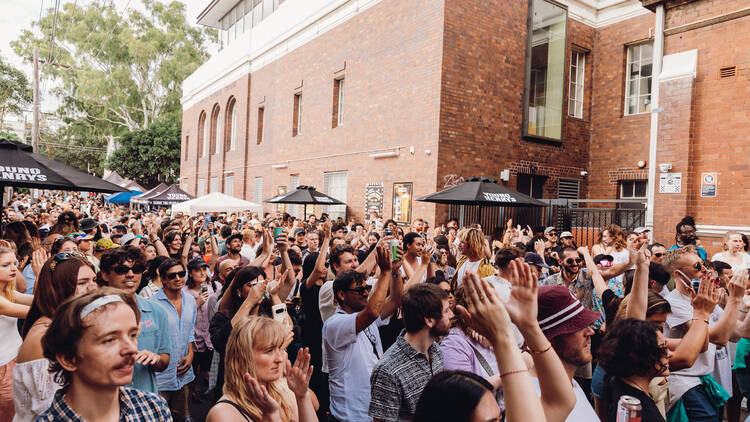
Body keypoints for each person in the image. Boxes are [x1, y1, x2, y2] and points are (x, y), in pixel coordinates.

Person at [35, 288, 171, 421]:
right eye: (110, 340)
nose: (131, 349)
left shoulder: (154, 408)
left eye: (132, 335)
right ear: (69, 359)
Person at [661, 246, 747, 420]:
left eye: (704, 265)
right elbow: (719, 338)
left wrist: (741, 302)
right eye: (698, 267)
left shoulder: (706, 299)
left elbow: (738, 333)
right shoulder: (673, 303)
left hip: (705, 380)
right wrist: (735, 299)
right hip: (684, 383)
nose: (706, 270)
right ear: (678, 274)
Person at [13, 252, 98, 421]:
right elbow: (52, 407)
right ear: (59, 287)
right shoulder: (43, 337)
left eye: (94, 280)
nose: (93, 288)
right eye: (82, 283)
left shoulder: (68, 323)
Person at [323, 243, 403, 422]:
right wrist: (384, 272)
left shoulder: (364, 317)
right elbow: (373, 311)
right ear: (342, 295)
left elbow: (396, 299)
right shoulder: (335, 324)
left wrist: (396, 271)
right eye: (359, 290)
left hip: (372, 411)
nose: (365, 294)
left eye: (366, 289)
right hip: (350, 416)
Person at [206, 316, 317, 422]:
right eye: (269, 351)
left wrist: (302, 396)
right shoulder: (223, 414)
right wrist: (271, 416)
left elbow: (316, 404)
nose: (279, 358)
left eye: (279, 348)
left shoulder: (283, 390)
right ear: (243, 356)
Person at [369, 284, 451, 421]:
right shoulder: (388, 370)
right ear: (429, 320)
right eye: (447, 311)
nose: (452, 315)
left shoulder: (435, 349)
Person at [99, 246, 171, 394]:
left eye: (137, 269)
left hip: (145, 401)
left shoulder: (157, 312)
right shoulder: (93, 314)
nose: (130, 274)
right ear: (105, 275)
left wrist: (155, 359)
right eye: (121, 270)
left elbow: (165, 359)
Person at [534, 284, 600, 420]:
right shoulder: (536, 405)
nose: (590, 332)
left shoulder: (568, 381)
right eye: (578, 326)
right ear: (549, 339)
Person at [598, 318, 671, 422]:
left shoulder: (614, 380)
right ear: (639, 355)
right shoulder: (642, 414)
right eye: (662, 348)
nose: (669, 354)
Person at [152, 258, 197, 422]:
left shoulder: (191, 300)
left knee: (182, 417)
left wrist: (191, 354)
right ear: (163, 279)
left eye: (181, 274)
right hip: (161, 376)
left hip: (184, 373)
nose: (178, 278)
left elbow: (189, 330)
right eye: (172, 276)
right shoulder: (152, 305)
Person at [0, 246, 32, 422]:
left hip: (14, 359)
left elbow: (38, 300)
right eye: (5, 265)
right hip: (2, 366)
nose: (13, 268)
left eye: (15, 263)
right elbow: (34, 310)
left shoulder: (8, 291)